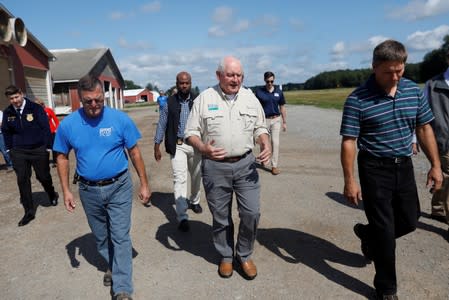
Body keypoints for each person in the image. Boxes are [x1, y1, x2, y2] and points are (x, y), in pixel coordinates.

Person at [340, 40, 443, 299]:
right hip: (374, 168)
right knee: (386, 231)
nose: (396, 76)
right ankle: (386, 289)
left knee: (410, 220)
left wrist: (436, 165)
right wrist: (350, 180)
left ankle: (367, 234)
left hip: (404, 165)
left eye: (400, 70)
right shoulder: (357, 99)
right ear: (375, 67)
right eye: (389, 71)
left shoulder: (412, 91)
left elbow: (424, 128)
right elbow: (349, 141)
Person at [53, 75, 151, 300]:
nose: (95, 105)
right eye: (89, 101)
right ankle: (112, 265)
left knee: (120, 235)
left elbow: (134, 152)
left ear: (103, 96)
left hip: (119, 186)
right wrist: (66, 190)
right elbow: (61, 157)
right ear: (80, 99)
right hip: (88, 190)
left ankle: (122, 287)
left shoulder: (120, 119)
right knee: (101, 237)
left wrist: (145, 183)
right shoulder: (68, 125)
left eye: (99, 100)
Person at [185, 56, 271, 280]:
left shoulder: (250, 98)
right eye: (231, 75)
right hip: (215, 167)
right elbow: (190, 133)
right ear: (218, 75)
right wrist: (203, 147)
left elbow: (261, 126)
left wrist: (265, 141)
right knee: (221, 216)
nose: (236, 79)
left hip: (245, 165)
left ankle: (244, 254)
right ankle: (225, 256)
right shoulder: (205, 98)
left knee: (251, 212)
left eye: (239, 75)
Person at [1, 85, 59, 226]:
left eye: (16, 97)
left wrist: (47, 147)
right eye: (11, 99)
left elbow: (45, 127)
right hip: (18, 151)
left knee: (43, 176)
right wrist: (9, 149)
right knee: (22, 179)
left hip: (38, 149)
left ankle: (51, 193)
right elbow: (6, 131)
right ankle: (29, 212)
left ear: (21, 94)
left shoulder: (35, 108)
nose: (15, 101)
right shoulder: (8, 112)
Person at [154, 71, 202, 232]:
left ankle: (195, 201)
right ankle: (182, 217)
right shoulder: (169, 102)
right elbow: (162, 123)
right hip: (178, 145)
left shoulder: (198, 100)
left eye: (187, 83)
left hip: (195, 145)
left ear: (190, 83)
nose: (184, 85)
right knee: (179, 179)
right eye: (181, 83)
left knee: (196, 176)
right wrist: (157, 144)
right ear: (176, 83)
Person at [425, 46, 449, 231]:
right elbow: (421, 116)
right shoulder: (432, 85)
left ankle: (438, 208)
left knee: (445, 178)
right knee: (445, 176)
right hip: (444, 140)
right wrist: (415, 139)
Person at [255, 71, 287, 175]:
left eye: (272, 81)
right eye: (268, 81)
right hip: (264, 120)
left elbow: (282, 106)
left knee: (275, 143)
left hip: (276, 120)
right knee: (264, 143)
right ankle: (264, 157)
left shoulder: (279, 91)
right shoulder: (259, 92)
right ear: (264, 80)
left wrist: (284, 122)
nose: (270, 83)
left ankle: (274, 166)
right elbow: (256, 108)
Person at [36, 99, 60, 167]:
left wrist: (56, 129)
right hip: (41, 133)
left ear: (42, 104)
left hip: (51, 131)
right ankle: (44, 162)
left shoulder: (48, 110)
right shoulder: (35, 112)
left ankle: (55, 161)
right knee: (44, 148)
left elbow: (56, 120)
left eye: (40, 104)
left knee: (54, 147)